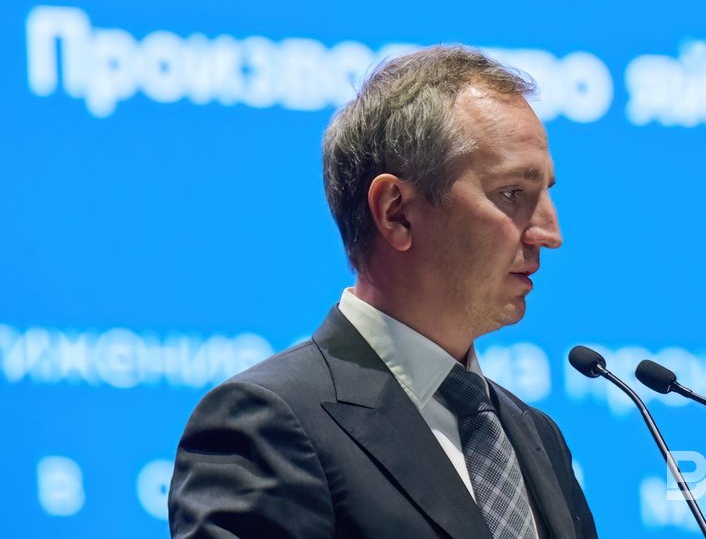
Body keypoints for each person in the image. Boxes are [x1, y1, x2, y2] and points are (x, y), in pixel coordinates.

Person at [168, 45, 597, 538]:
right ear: (396, 212)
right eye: (512, 193)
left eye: (546, 194)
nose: (549, 232)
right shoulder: (267, 424)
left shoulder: (536, 435)